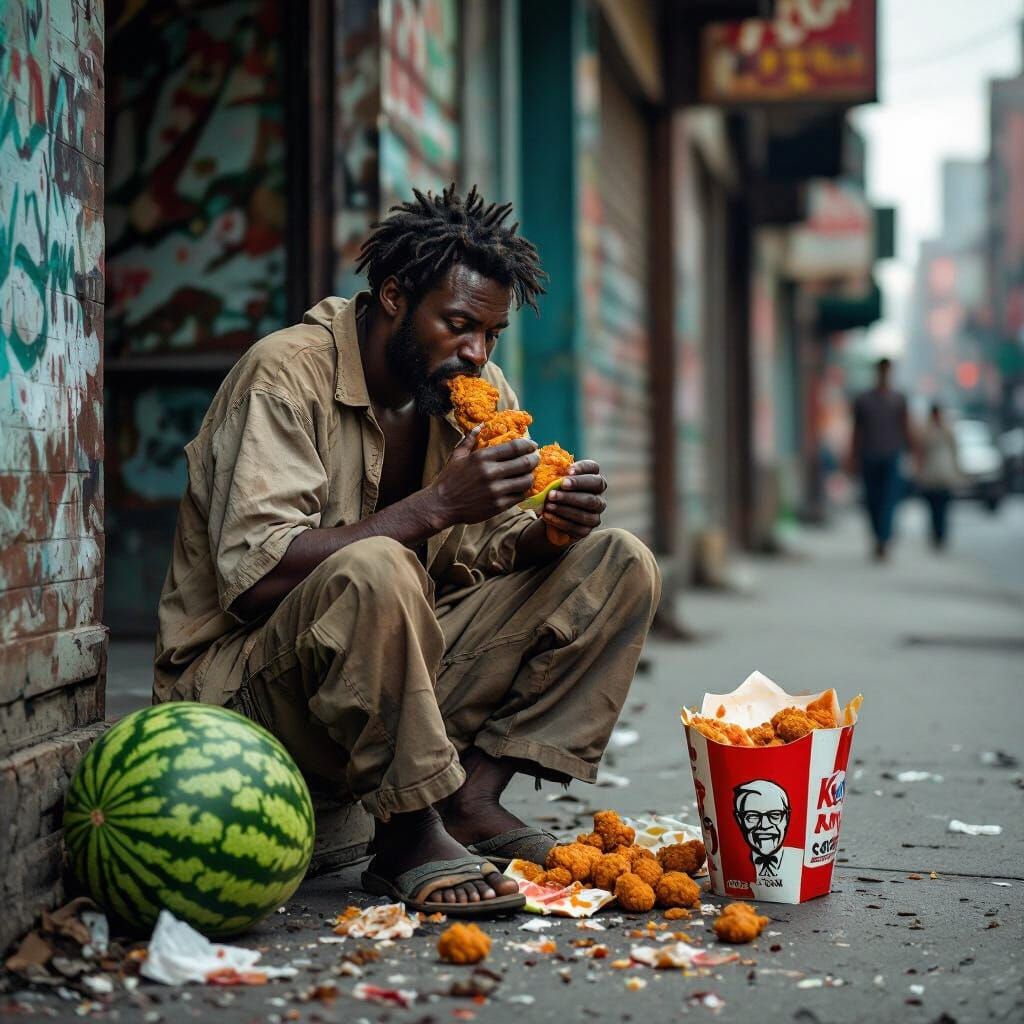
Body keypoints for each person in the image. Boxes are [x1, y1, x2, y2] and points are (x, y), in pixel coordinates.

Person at [153, 185, 661, 917]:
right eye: (458, 324)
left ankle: (469, 802)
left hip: (393, 676)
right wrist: (437, 505)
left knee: (617, 562)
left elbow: (468, 561)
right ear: (394, 296)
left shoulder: (473, 386)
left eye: (491, 333)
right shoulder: (285, 375)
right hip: (248, 692)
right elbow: (255, 578)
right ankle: (406, 834)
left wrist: (547, 531)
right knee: (376, 563)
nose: (476, 352)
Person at [849, 358, 912, 560]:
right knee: (872, 500)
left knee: (889, 500)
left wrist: (913, 453)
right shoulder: (864, 400)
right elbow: (856, 430)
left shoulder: (898, 399)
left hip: (891, 455)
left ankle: (884, 539)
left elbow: (906, 428)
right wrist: (851, 456)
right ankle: (877, 537)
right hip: (869, 455)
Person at [917, 403, 960, 550]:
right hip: (930, 477)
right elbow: (920, 454)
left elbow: (955, 453)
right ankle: (935, 535)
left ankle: (941, 536)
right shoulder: (926, 432)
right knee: (933, 509)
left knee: (944, 509)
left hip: (944, 476)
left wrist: (958, 472)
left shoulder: (947, 431)